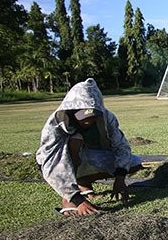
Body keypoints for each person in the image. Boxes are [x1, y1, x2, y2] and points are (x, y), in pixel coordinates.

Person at [36, 78, 143, 215]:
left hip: (89, 156)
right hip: (59, 161)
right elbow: (52, 161)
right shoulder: (56, 124)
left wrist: (120, 178)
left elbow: (121, 146)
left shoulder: (107, 117)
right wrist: (76, 199)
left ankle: (83, 182)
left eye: (92, 115)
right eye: (84, 116)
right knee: (75, 140)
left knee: (134, 162)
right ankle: (68, 199)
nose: (89, 120)